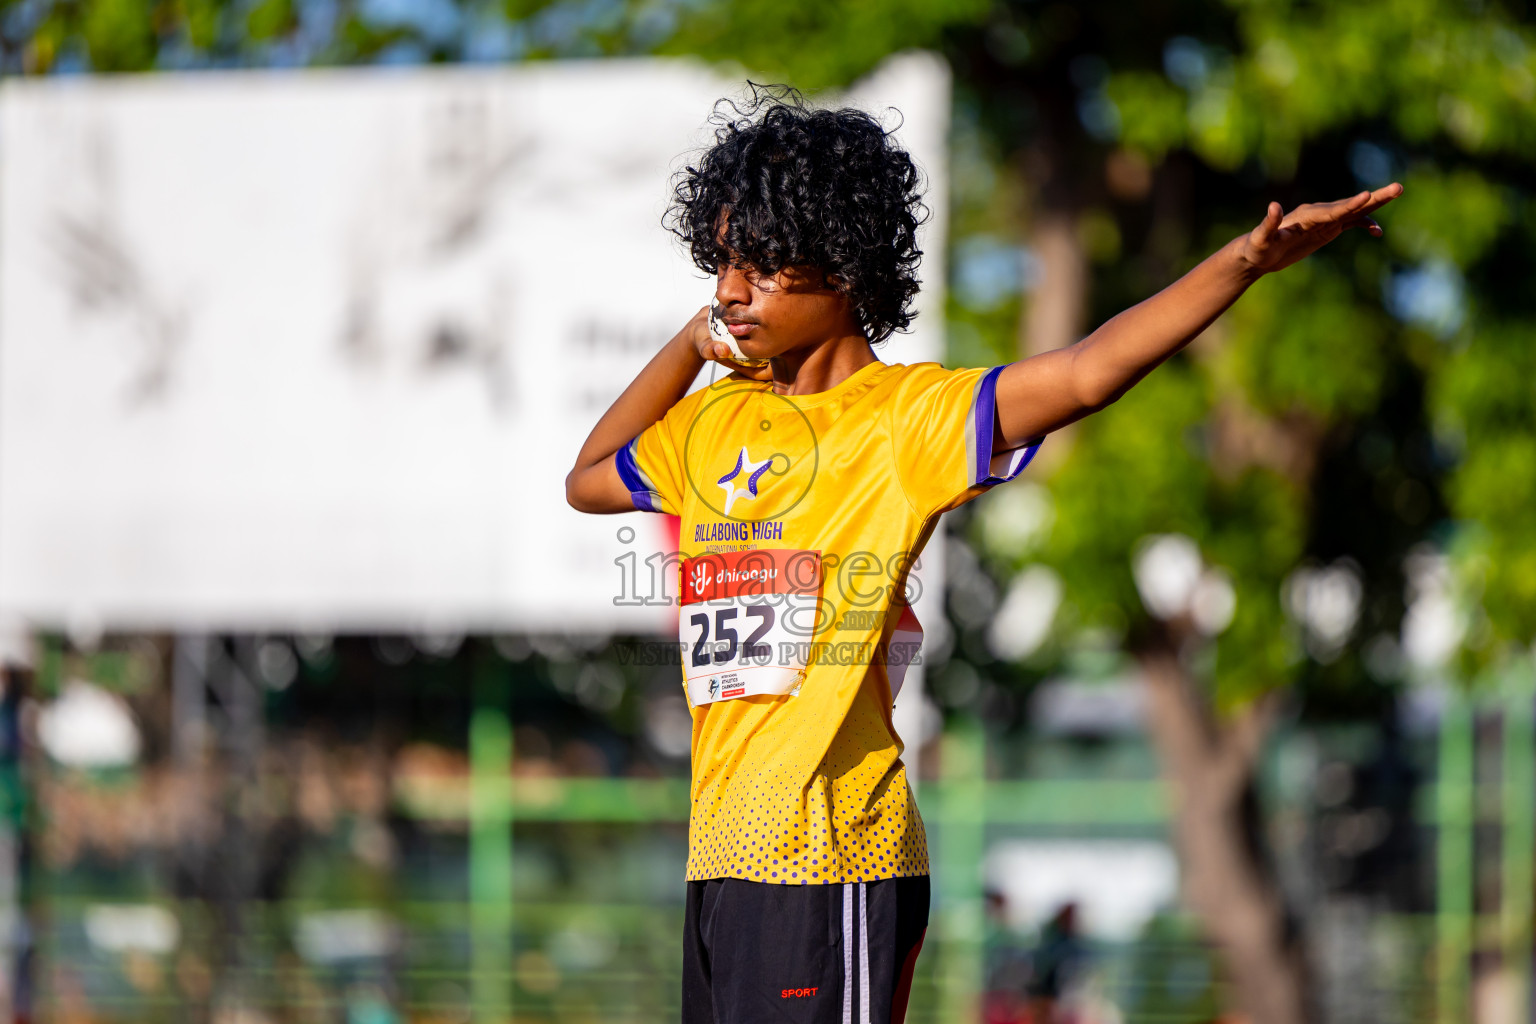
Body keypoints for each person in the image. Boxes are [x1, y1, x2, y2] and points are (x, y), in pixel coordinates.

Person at [565, 87, 1400, 1024]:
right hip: (718, 861)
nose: (728, 291)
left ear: (841, 263)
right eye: (722, 262)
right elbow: (589, 477)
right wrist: (688, 349)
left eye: (760, 264)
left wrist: (1243, 262)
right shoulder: (714, 421)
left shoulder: (905, 421)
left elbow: (1087, 371)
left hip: (830, 859)